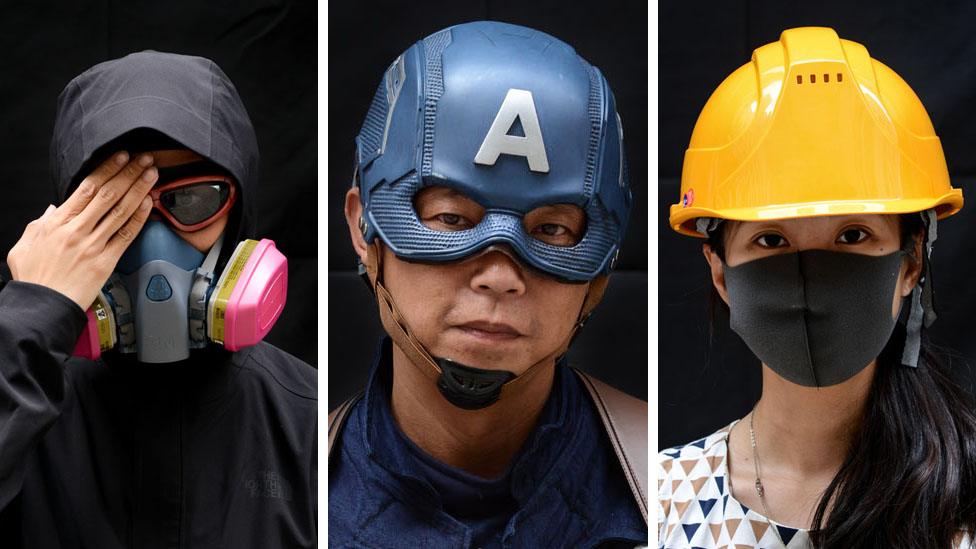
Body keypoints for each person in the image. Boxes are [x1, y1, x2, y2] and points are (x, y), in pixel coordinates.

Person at [328, 21, 648, 547]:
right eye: (451, 219)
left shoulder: (671, 495)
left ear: (601, 268)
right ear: (366, 230)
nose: (500, 279)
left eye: (552, 230)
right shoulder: (297, 495)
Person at [658, 27, 976, 548]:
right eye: (771, 239)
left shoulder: (964, 497)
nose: (809, 276)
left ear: (911, 262)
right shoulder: (662, 498)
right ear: (720, 273)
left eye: (852, 235)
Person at [0, 51, 316, 547]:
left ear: (238, 215)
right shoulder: (22, 408)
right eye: (113, 210)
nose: (152, 243)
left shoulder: (310, 427)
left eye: (191, 199)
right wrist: (28, 319)